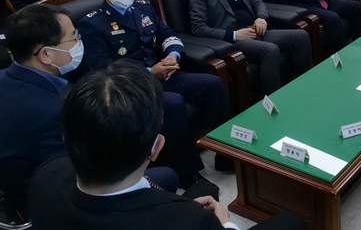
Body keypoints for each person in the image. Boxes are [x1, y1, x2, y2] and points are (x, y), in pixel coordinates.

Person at [27, 59, 306, 230]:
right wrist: (226, 223)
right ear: (156, 147)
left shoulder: (44, 175)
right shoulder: (193, 221)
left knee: (206, 189)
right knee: (293, 220)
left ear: (66, 138)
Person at [0, 5, 175, 217]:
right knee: (167, 177)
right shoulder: (54, 113)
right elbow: (79, 179)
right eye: (73, 37)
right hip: (50, 204)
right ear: (45, 54)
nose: (78, 42)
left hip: (14, 187)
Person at [77, 0, 230, 188]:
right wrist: (150, 72)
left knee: (212, 84)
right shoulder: (92, 23)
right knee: (173, 103)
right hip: (127, 87)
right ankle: (187, 174)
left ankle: (227, 154)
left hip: (160, 74)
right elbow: (102, 68)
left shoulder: (143, 8)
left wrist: (173, 55)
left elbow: (168, 34)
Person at [189, 0, 312, 95]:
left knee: (301, 36)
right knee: (270, 50)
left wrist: (261, 18)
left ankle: (306, 86)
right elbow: (198, 28)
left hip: (256, 30)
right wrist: (234, 35)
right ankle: (274, 98)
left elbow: (257, 2)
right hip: (233, 40)